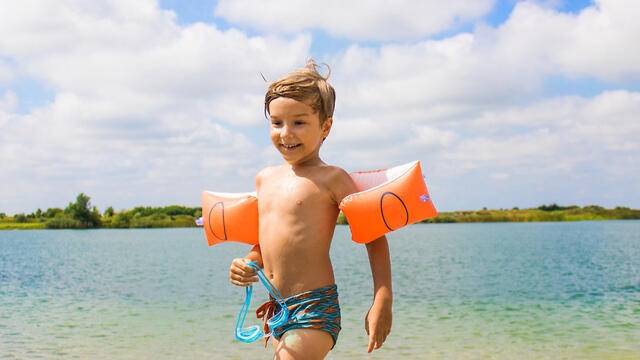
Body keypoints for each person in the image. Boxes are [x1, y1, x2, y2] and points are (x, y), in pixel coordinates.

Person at [229, 59, 392, 359]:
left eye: (299, 122)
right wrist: (249, 261)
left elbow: (374, 238)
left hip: (315, 307)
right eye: (277, 123)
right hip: (278, 310)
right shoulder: (264, 179)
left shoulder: (332, 179)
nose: (286, 133)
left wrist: (382, 298)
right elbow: (267, 244)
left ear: (326, 126)